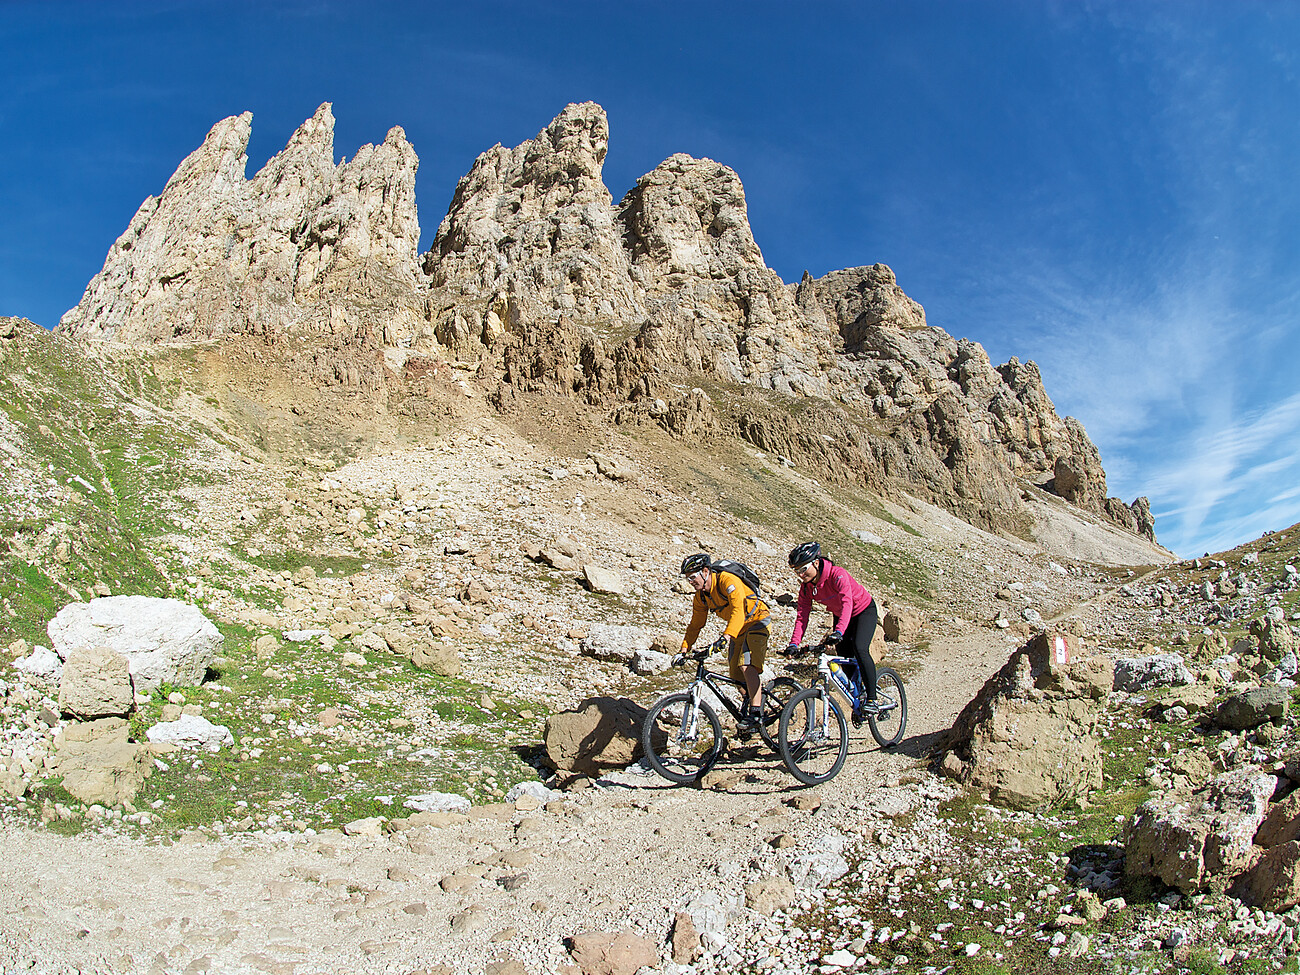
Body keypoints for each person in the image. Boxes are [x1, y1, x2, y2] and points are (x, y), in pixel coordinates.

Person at [785, 542, 879, 725]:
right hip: (841, 615)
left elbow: (847, 602)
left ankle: (872, 699)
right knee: (844, 657)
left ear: (816, 563)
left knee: (860, 648)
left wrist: (839, 631)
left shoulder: (837, 574)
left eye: (803, 569)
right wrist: (794, 644)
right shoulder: (806, 588)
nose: (800, 575)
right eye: (796, 571)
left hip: (863, 610)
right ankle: (858, 696)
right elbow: (802, 616)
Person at [678, 553, 771, 727]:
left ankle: (756, 714)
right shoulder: (701, 597)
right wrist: (684, 650)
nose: (690, 582)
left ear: (705, 571)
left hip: (757, 620)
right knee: (735, 675)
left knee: (746, 665)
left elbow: (738, 611)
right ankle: (750, 702)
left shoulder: (727, 580)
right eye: (687, 579)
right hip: (738, 628)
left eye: (692, 577)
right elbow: (696, 624)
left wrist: (726, 637)